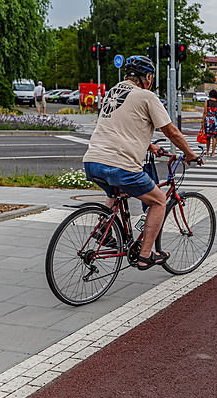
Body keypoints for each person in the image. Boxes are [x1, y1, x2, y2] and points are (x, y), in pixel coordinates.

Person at [83, 55, 199, 271]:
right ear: (147, 77)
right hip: (120, 166)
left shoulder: (113, 92)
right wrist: (190, 154)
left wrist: (150, 146)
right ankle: (145, 255)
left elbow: (119, 127)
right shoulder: (146, 96)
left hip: (92, 162)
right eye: (151, 77)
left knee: (116, 192)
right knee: (159, 201)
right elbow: (170, 131)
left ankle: (104, 230)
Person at [201, 89, 217, 157]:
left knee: (208, 137)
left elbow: (205, 112)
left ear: (210, 95)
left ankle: (207, 151)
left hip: (208, 121)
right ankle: (213, 152)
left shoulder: (206, 102)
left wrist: (202, 121)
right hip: (216, 121)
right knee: (215, 137)